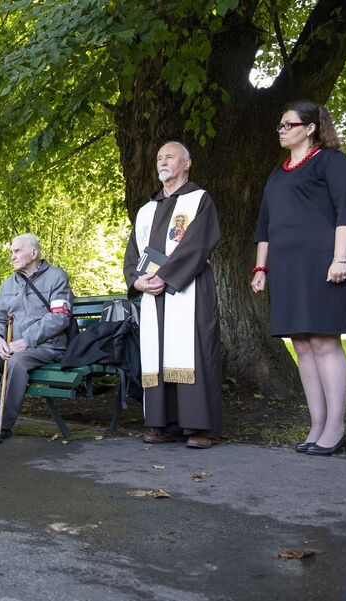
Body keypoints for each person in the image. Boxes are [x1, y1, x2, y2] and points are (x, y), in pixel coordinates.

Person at [252, 101, 346, 457]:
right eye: (279, 125)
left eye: (288, 124)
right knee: (301, 344)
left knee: (324, 342)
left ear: (310, 127)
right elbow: (264, 227)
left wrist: (340, 258)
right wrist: (260, 269)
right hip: (286, 270)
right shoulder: (276, 174)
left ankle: (336, 428)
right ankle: (317, 424)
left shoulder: (332, 161)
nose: (281, 130)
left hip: (325, 264)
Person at [124, 141, 222, 450]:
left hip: (190, 289)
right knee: (158, 353)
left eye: (170, 157)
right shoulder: (146, 209)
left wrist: (163, 277)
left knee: (194, 351)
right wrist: (137, 282)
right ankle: (161, 424)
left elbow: (197, 245)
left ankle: (198, 427)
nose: (163, 162)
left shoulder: (198, 200)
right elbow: (132, 255)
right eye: (159, 157)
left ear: (187, 163)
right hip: (153, 295)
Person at [0, 234, 72, 441]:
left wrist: (26, 341)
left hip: (46, 346)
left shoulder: (57, 277)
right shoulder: (8, 284)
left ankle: (1, 424)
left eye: (17, 251)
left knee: (16, 362)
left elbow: (59, 317)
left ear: (33, 253)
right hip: (12, 345)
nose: (12, 257)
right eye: (11, 252)